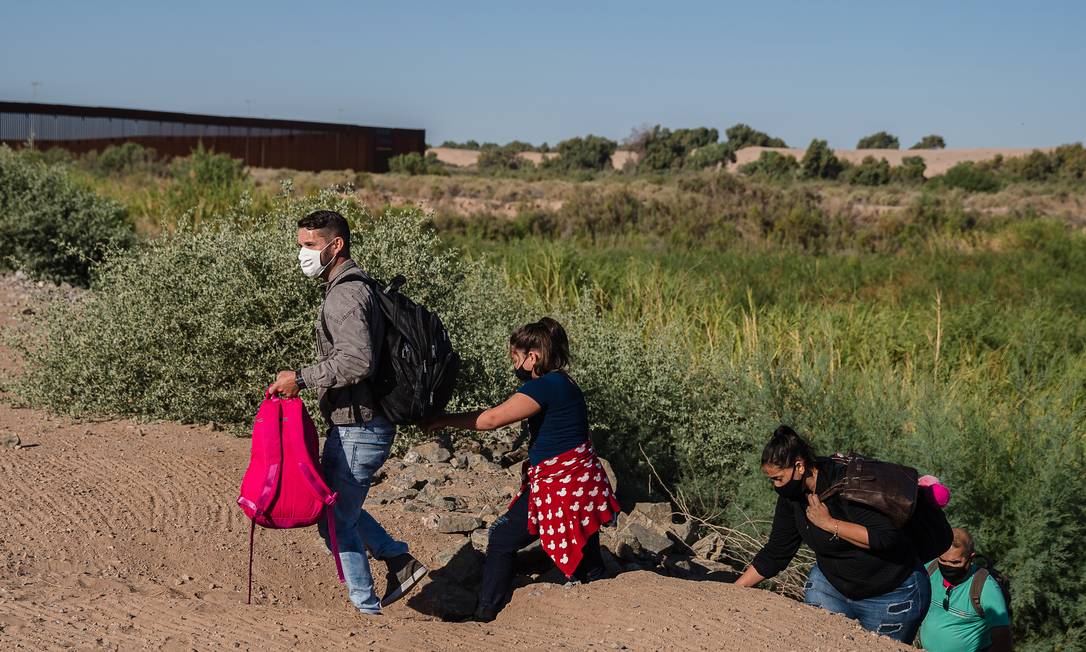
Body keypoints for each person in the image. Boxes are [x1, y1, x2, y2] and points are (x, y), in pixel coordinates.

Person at [267, 209, 427, 615]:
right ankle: (397, 560)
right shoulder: (355, 285)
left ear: (335, 246)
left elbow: (357, 361)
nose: (302, 253)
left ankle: (367, 607)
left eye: (309, 245)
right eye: (300, 244)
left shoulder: (344, 294)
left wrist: (300, 379)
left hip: (361, 426)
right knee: (337, 510)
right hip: (357, 423)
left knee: (336, 519)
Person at [423, 317, 619, 622]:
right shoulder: (563, 381)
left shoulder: (545, 386)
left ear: (533, 357)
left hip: (561, 482)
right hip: (579, 478)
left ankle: (486, 610)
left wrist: (445, 418)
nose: (513, 365)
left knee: (501, 538)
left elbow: (491, 420)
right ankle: (594, 575)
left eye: (515, 358)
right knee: (583, 529)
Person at [735, 426, 930, 643]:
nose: (775, 486)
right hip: (830, 588)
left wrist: (829, 523)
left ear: (799, 466)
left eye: (778, 478)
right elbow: (777, 551)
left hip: (890, 595)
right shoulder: (792, 497)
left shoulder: (847, 485)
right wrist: (734, 590)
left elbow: (886, 538)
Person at [919, 528, 1013, 652]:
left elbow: (1003, 642)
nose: (948, 566)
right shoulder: (930, 570)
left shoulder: (985, 588)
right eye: (942, 560)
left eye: (955, 562)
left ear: (971, 558)